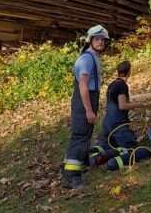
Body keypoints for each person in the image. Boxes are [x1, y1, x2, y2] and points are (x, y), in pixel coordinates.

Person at [61, 25, 110, 189]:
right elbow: (83, 85)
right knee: (81, 136)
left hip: (90, 99)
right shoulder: (86, 59)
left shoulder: (93, 57)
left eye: (103, 40)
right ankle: (72, 177)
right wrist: (89, 110)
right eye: (97, 39)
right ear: (90, 40)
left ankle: (72, 167)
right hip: (83, 103)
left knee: (84, 135)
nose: (101, 42)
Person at [89, 61, 151, 171]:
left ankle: (96, 159)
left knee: (109, 147)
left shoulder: (112, 84)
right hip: (118, 125)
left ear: (118, 72)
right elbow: (122, 105)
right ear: (129, 72)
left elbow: (116, 101)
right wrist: (141, 105)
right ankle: (112, 163)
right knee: (131, 150)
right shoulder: (122, 85)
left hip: (107, 123)